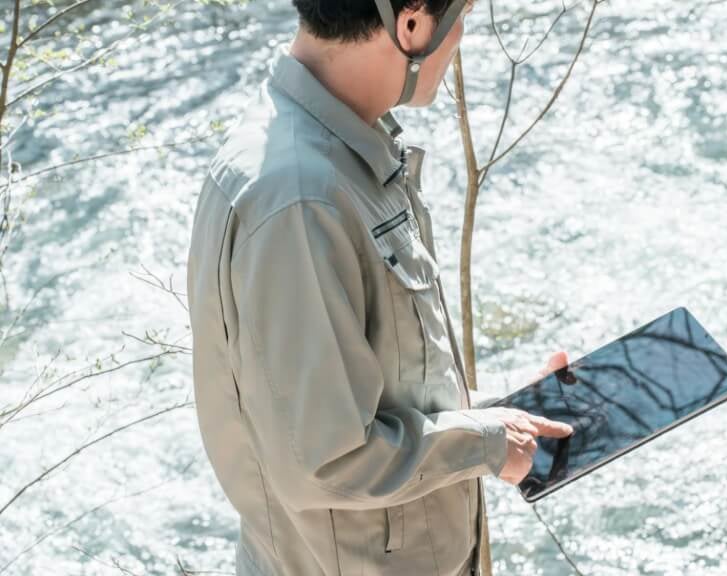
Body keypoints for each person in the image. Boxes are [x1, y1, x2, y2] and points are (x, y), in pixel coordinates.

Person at [185, 1, 574, 575]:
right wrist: (487, 442)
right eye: (461, 13)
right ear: (411, 23)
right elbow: (328, 460)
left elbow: (375, 386)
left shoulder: (331, 147)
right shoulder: (299, 200)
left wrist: (507, 411)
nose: (460, 36)